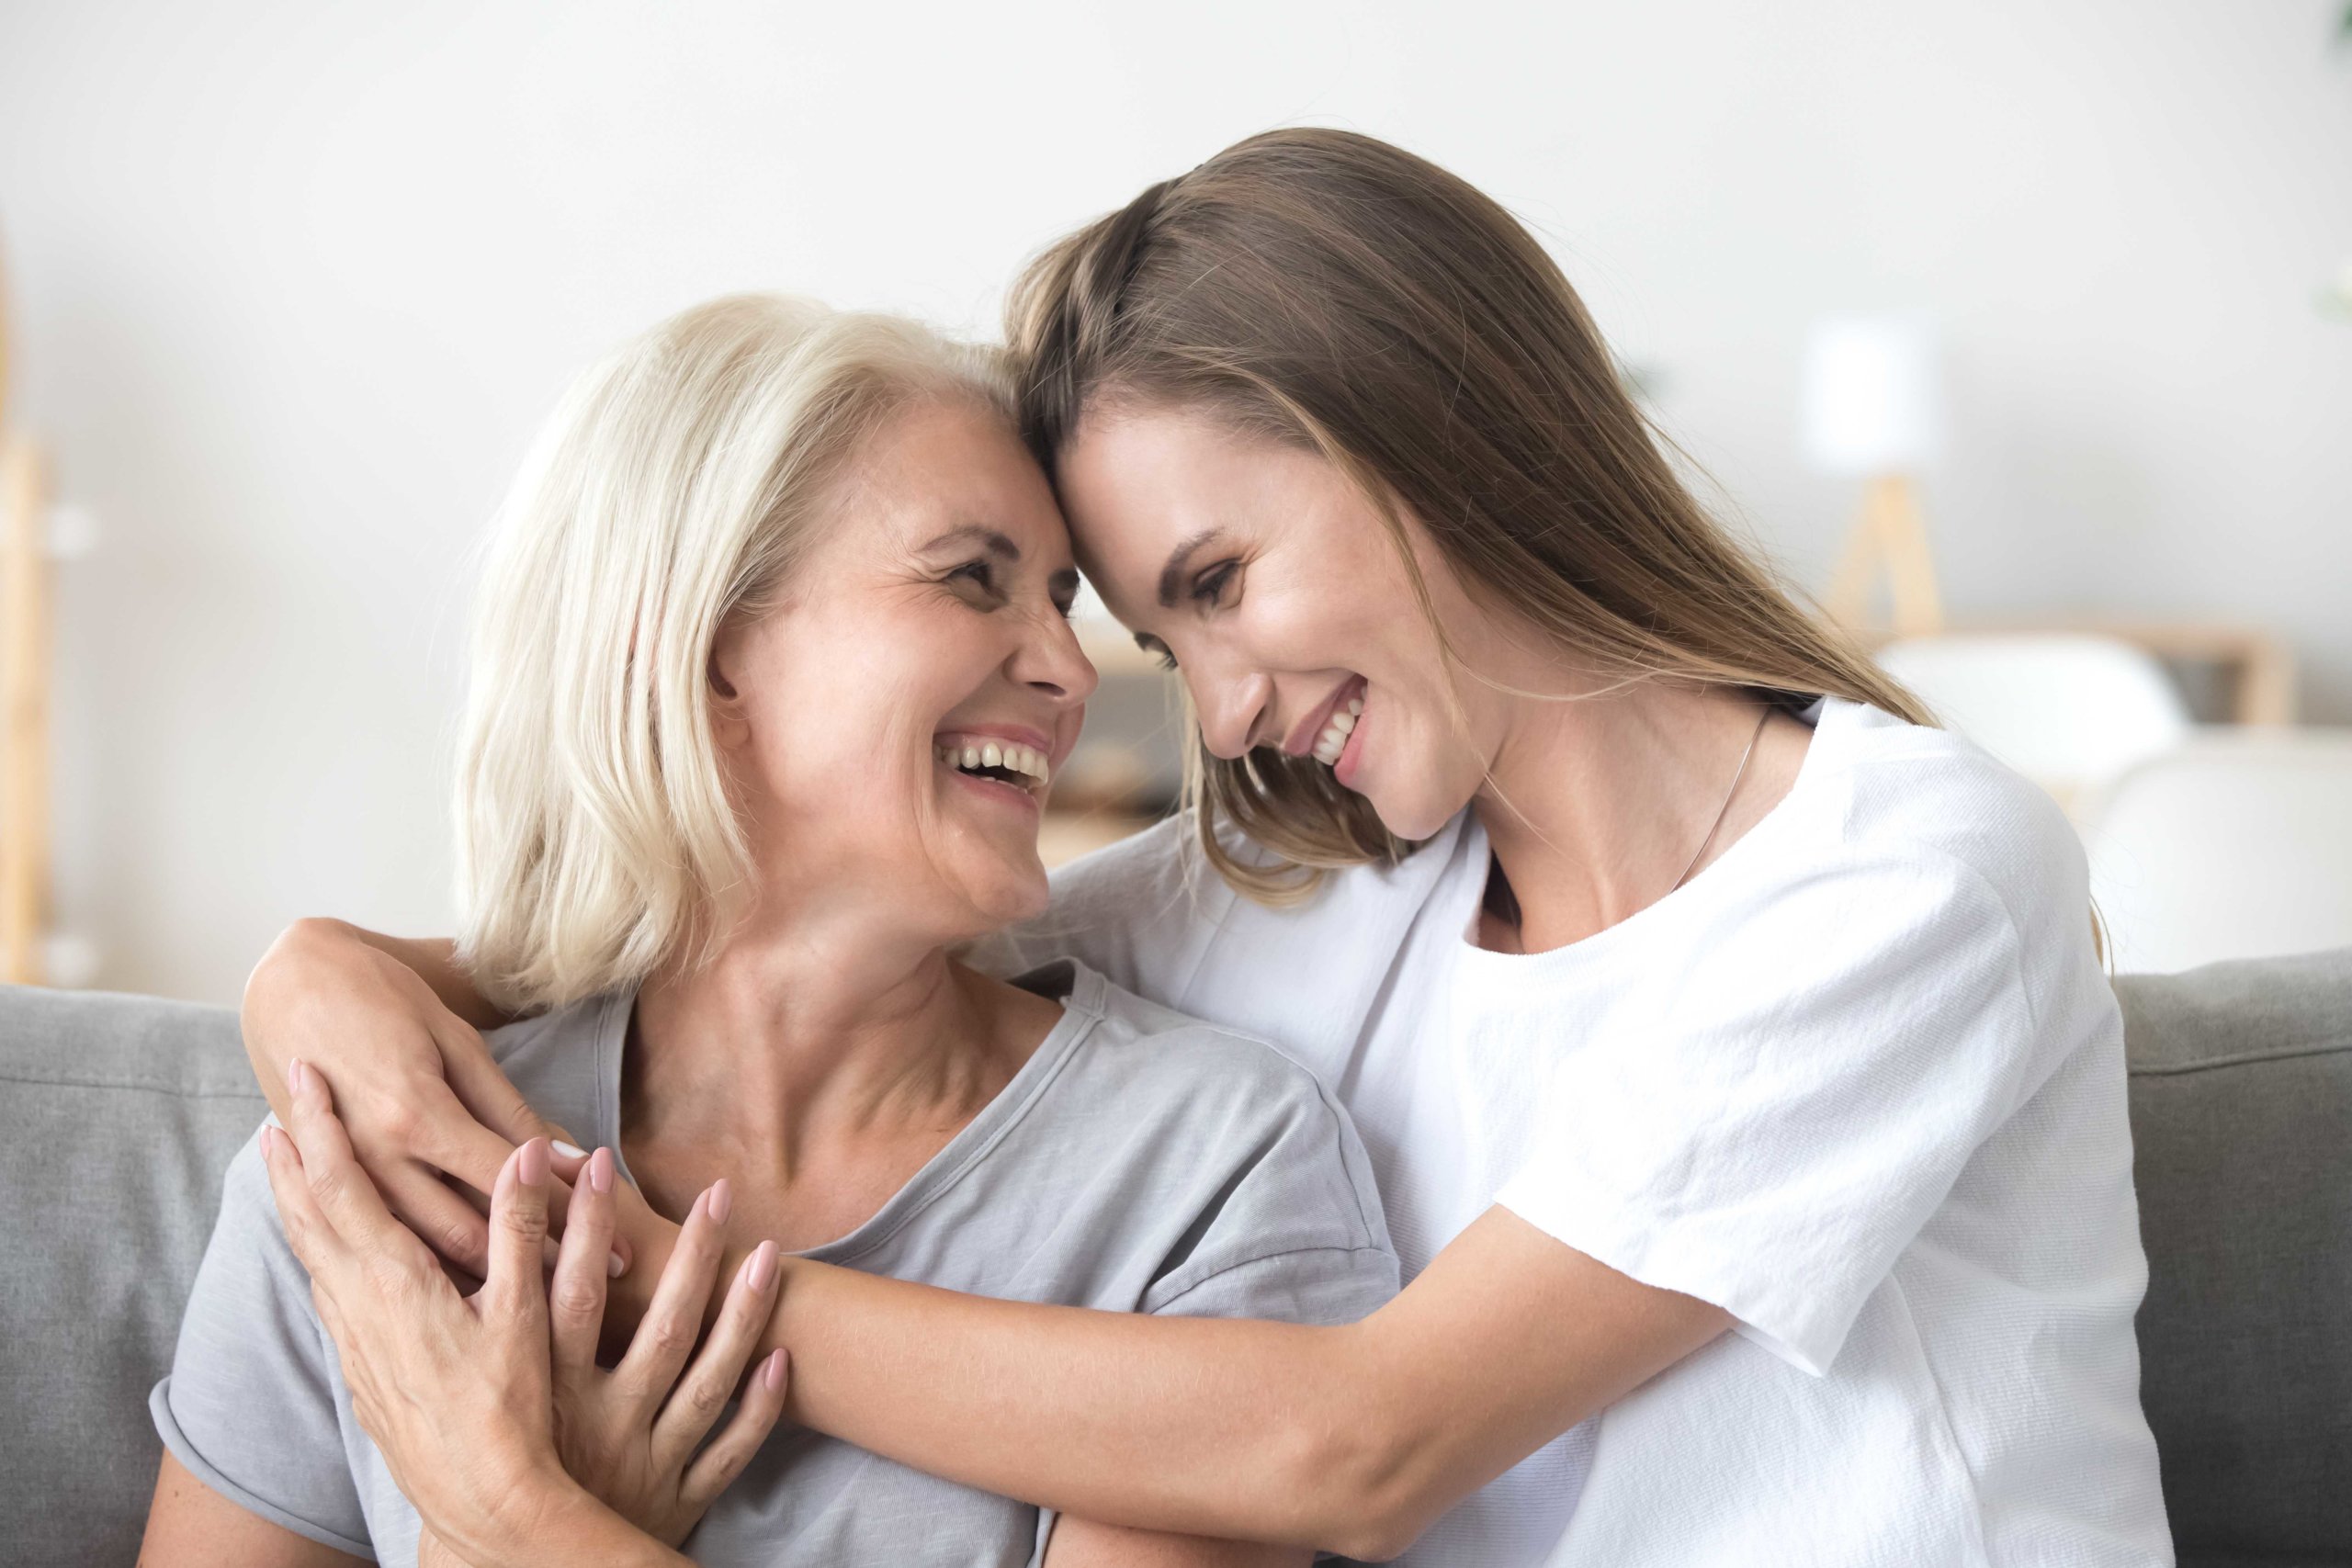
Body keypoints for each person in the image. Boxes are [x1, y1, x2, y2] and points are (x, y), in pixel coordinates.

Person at [241, 130, 2173, 1565]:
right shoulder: (1329, 900)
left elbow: (1359, 1441)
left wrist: (629, 1309)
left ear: (1435, 430)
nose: (1217, 707)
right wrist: (331, 965)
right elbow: (794, 921)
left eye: (1220, 580)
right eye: (1169, 639)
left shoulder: (1901, 870)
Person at [137, 294, 1396, 1568]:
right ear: (708, 659)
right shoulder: (384, 1170)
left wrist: (521, 1529)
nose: (1070, 672)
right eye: (973, 578)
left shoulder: (1200, 1175)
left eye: (1064, 601)